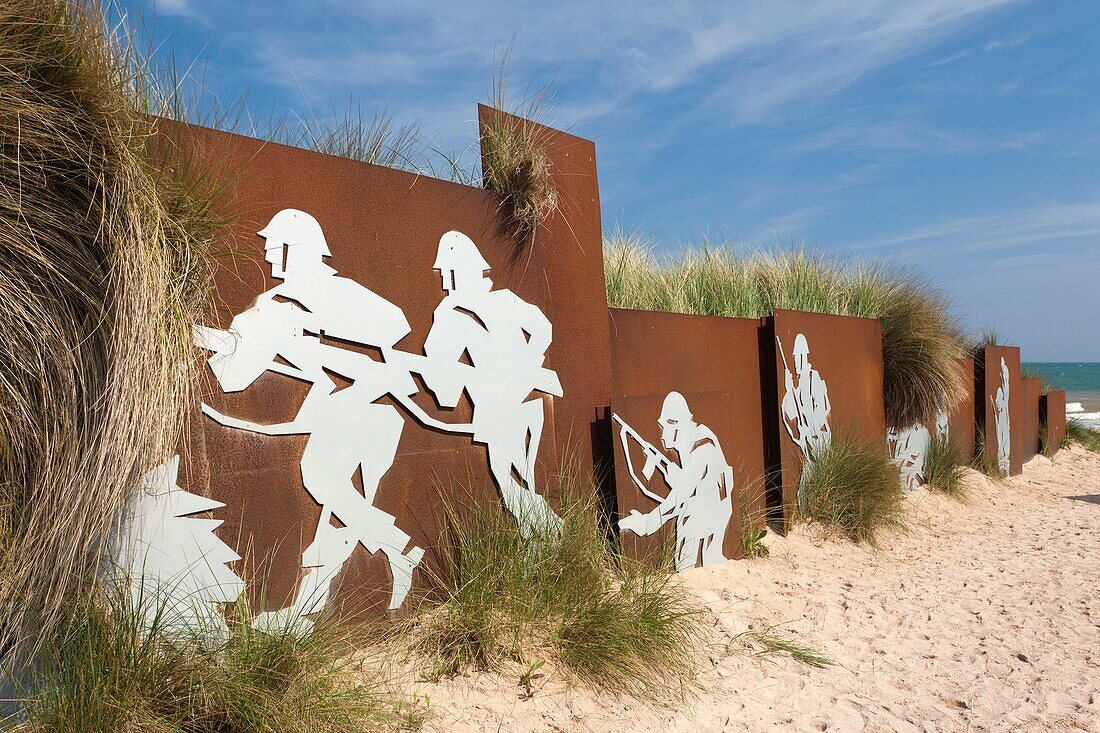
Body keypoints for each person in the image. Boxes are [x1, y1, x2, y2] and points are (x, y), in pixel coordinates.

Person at [197, 209, 426, 632]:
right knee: (332, 518)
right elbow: (232, 372)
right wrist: (211, 338)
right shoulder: (272, 306)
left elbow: (396, 330)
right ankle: (386, 560)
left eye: (275, 249)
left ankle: (395, 552)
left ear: (298, 250)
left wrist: (320, 333)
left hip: (372, 411)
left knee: (322, 484)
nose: (268, 260)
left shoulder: (340, 294)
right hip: (339, 411)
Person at [413, 231, 564, 538]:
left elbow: (543, 329)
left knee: (514, 480)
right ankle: (545, 536)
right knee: (508, 481)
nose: (444, 283)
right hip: (493, 406)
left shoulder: (503, 302)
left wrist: (525, 367)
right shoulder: (454, 316)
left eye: (448, 274)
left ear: (463, 271)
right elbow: (441, 383)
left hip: (515, 405)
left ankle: (549, 534)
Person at [616, 392, 734, 572]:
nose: (662, 435)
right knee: (694, 562)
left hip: (709, 515)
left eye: (664, 427)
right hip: (709, 510)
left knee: (690, 563)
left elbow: (682, 495)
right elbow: (694, 482)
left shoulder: (702, 448)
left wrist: (648, 522)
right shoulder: (695, 440)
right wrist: (669, 471)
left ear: (676, 425)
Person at [778, 333, 832, 508]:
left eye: (798, 357)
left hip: (819, 440)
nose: (795, 362)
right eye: (794, 358)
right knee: (805, 490)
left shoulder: (814, 378)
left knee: (820, 479)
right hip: (807, 441)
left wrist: (811, 430)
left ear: (805, 356)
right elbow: (791, 416)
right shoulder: (797, 384)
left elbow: (822, 410)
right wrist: (789, 390)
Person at [993, 356, 1011, 475]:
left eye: (999, 400)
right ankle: (1002, 469)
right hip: (1002, 426)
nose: (998, 403)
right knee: (1001, 446)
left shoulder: (1005, 404)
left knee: (1006, 445)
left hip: (1005, 425)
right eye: (997, 401)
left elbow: (1006, 387)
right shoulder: (999, 412)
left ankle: (1006, 470)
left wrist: (1004, 370)